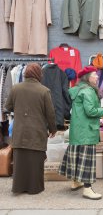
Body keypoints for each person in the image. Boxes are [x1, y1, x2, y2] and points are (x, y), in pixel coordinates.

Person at [4, 63, 57, 194]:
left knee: (20, 161)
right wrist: (53, 129)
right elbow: (50, 113)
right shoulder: (44, 90)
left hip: (20, 130)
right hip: (37, 131)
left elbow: (8, 107)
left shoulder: (16, 88)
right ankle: (34, 188)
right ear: (39, 74)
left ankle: (18, 187)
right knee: (35, 161)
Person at [59, 66, 103, 200]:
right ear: (88, 77)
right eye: (95, 74)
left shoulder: (78, 90)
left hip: (77, 129)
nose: (97, 76)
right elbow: (91, 111)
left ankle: (76, 181)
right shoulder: (88, 91)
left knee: (77, 157)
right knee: (87, 161)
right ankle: (87, 189)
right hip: (87, 130)